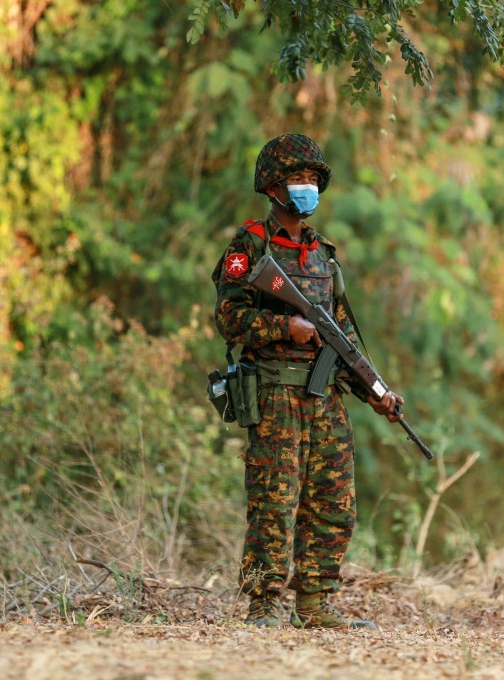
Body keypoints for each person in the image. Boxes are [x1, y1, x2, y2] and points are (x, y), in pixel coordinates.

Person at [212, 133, 402, 630]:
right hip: (275, 392)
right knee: (274, 499)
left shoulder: (324, 253)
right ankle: (265, 603)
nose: (307, 187)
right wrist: (284, 327)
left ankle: (315, 604)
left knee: (332, 498)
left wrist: (377, 393)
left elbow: (343, 341)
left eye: (313, 179)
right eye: (298, 179)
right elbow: (230, 319)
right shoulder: (248, 245)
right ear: (273, 186)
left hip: (324, 397)